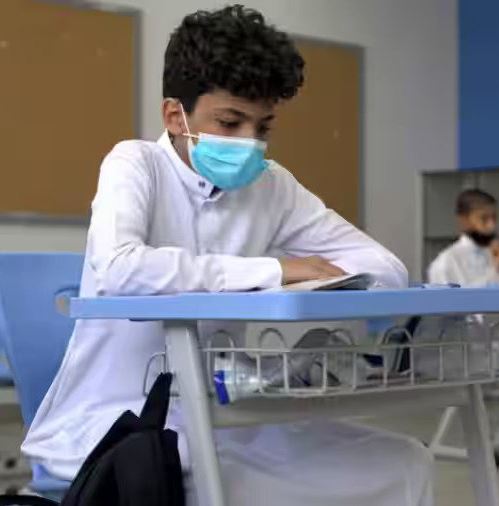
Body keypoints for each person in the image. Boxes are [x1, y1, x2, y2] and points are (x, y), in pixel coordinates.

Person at [21, 6, 432, 506]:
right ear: (175, 116)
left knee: (404, 462)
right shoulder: (135, 163)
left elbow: (386, 268)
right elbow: (120, 268)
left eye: (263, 127)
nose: (250, 143)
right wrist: (275, 271)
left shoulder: (272, 186)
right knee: (229, 484)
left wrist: (324, 283)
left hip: (227, 410)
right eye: (231, 122)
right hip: (122, 418)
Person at [427, 189, 499, 287]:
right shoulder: (446, 263)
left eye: (494, 218)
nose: (492, 226)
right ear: (464, 220)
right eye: (484, 218)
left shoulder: (496, 255)